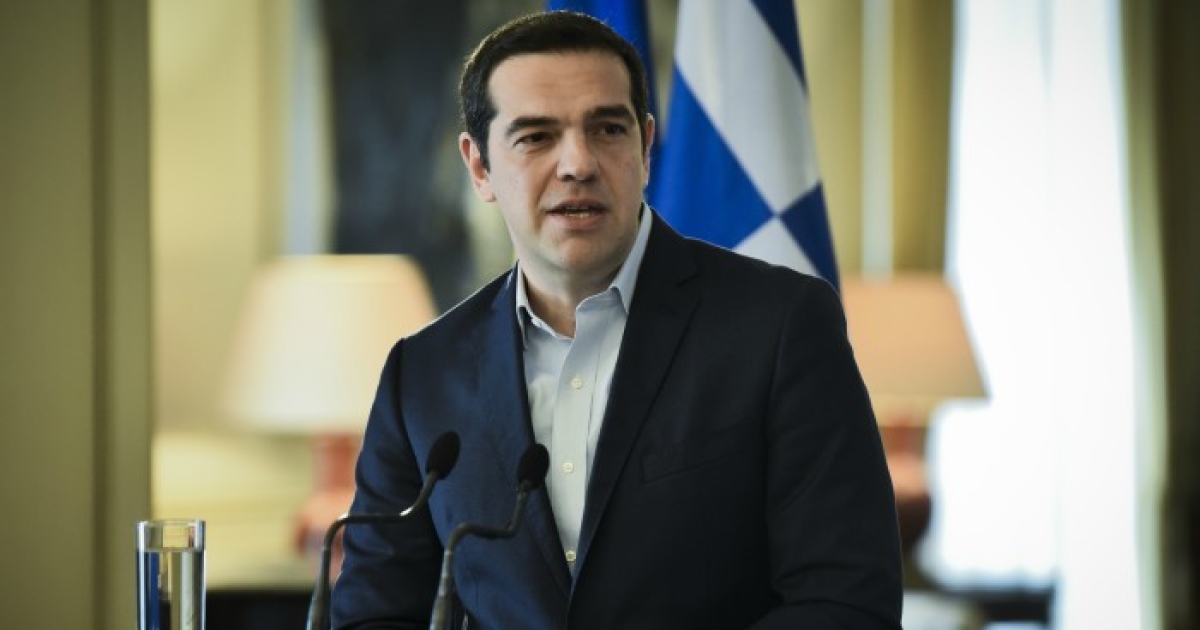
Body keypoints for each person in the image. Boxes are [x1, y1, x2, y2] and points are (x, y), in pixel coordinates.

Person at [331, 10, 902, 630]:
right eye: (536, 137)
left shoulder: (780, 326)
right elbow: (373, 614)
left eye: (607, 129)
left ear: (645, 146)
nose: (578, 163)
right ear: (479, 166)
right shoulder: (423, 375)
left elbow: (847, 603)